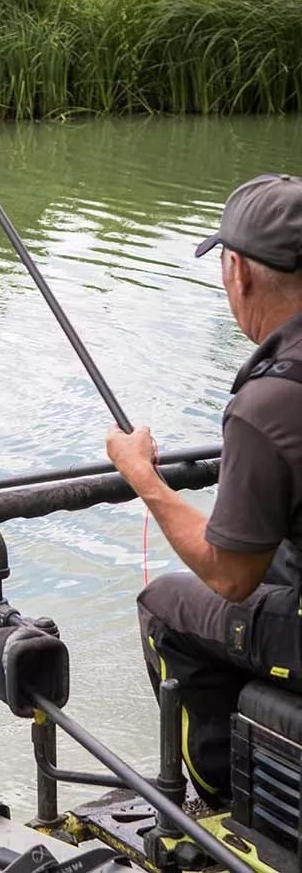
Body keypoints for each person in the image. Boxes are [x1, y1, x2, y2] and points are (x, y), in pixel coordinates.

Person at [106, 172, 302, 809]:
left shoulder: (269, 401)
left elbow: (229, 576)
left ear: (237, 271)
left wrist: (144, 476)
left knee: (167, 604)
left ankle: (225, 806)